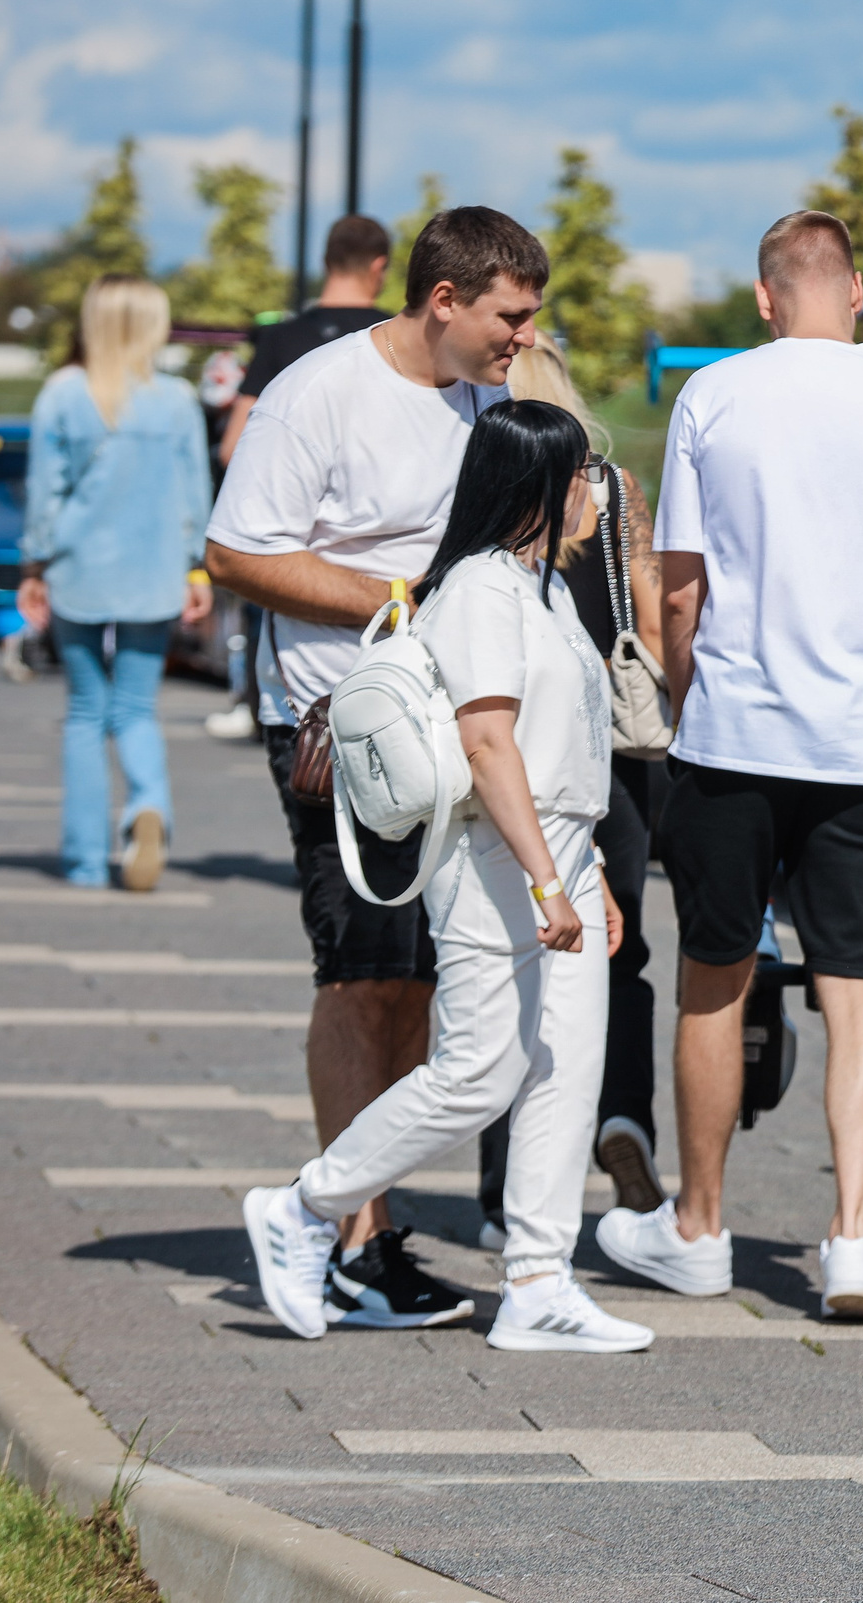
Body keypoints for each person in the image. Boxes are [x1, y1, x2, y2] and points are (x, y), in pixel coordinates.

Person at [599, 210, 863, 1319]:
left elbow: (676, 585)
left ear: (767, 297)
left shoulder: (715, 396)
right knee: (860, 987)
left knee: (715, 976)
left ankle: (700, 1227)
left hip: (735, 731)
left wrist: (691, 696)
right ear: (857, 288)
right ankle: (855, 1241)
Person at [242, 398, 650, 1354]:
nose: (599, 492)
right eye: (585, 474)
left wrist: (589, 878)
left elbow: (568, 742)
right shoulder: (476, 588)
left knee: (562, 1068)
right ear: (538, 487)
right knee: (478, 1072)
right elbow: (488, 740)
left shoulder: (542, 586)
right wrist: (551, 881)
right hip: (500, 855)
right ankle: (304, 1206)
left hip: (563, 849)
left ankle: (541, 1280)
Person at [205, 206, 547, 1328]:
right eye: (510, 315)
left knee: (420, 979)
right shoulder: (321, 390)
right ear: (443, 300)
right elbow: (236, 551)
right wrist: (391, 597)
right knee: (359, 976)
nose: (522, 337)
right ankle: (352, 1238)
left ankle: (363, 1223)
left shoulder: (489, 397)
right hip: (339, 733)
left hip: (447, 736)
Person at [473, 333, 669, 1247]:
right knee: (614, 950)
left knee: (507, 964)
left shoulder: (499, 486)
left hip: (524, 749)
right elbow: (656, 605)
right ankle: (625, 1115)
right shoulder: (619, 490)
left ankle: (496, 1190)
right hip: (616, 757)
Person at [15, 277, 213, 891]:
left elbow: (45, 493)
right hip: (154, 570)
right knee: (134, 709)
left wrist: (34, 567)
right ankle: (147, 805)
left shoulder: (64, 394)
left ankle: (81, 859)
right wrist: (196, 565)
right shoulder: (177, 399)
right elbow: (193, 492)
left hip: (80, 567)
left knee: (84, 712)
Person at [205, 215, 393, 741]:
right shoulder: (392, 338)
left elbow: (230, 445)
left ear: (326, 262)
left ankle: (250, 701)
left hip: (293, 575)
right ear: (379, 266)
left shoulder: (282, 338)